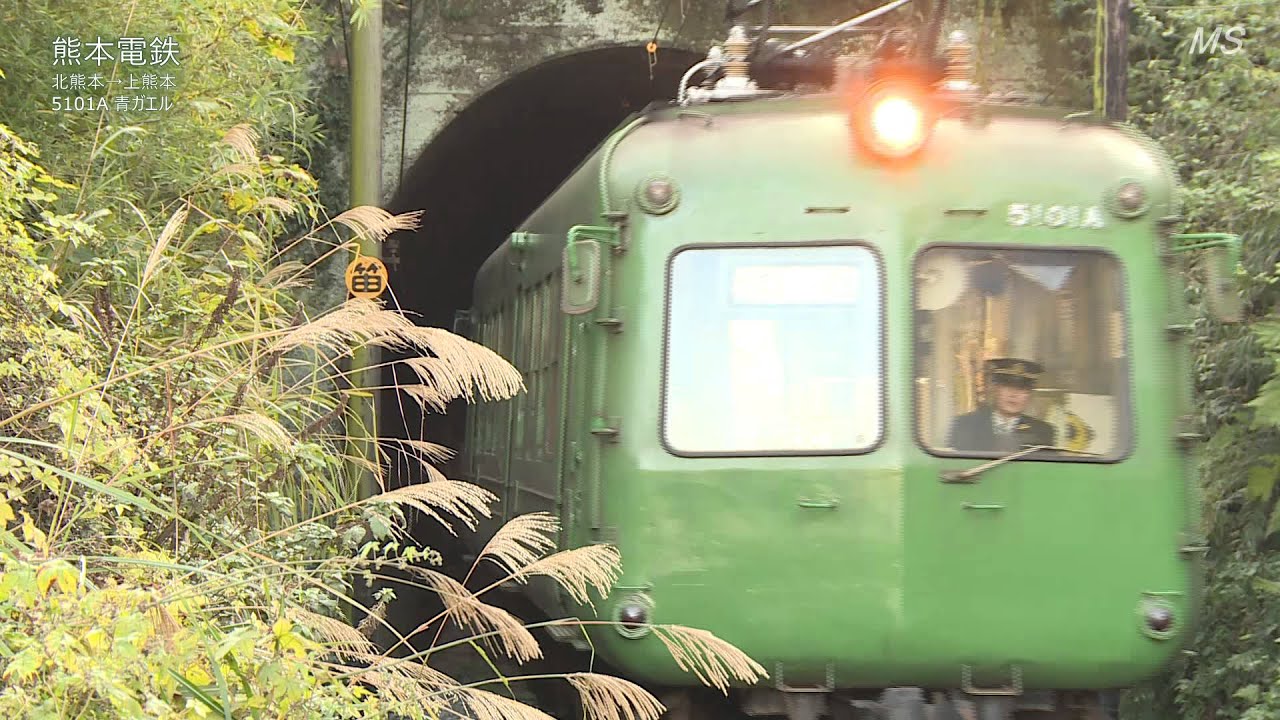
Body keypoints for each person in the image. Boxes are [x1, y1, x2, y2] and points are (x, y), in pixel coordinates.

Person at [947, 358, 1056, 453]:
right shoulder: (964, 425)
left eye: (1021, 389)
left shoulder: (1042, 432)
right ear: (995, 389)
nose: (1013, 395)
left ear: (1030, 394)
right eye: (1007, 387)